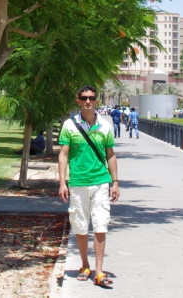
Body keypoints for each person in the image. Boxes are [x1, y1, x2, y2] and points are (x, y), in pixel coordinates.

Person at [58, 85, 119, 288]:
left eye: (92, 98)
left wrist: (115, 182)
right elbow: (64, 154)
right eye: (84, 98)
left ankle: (99, 271)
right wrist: (62, 182)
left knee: (101, 224)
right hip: (77, 183)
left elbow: (110, 155)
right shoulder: (69, 125)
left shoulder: (105, 126)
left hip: (101, 182)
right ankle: (85, 265)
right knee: (80, 226)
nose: (88, 101)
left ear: (97, 100)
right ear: (78, 100)